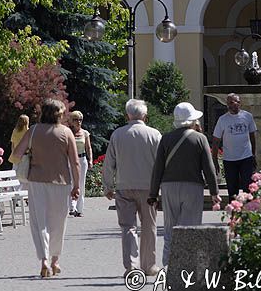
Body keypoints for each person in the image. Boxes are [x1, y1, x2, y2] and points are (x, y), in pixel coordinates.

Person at [13, 99, 80, 278]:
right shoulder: (66, 132)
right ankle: (55, 261)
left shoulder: (33, 131)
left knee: (39, 222)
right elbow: (75, 162)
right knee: (58, 223)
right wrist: (77, 185)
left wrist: (32, 153)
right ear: (60, 114)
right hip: (61, 182)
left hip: (37, 181)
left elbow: (16, 155)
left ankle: (43, 261)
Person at [148, 102, 220, 268]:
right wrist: (214, 191)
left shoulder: (166, 138)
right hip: (192, 187)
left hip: (168, 187)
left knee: (169, 229)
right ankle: (189, 266)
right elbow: (208, 168)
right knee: (191, 228)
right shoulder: (200, 138)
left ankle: (168, 266)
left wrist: (153, 193)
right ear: (192, 120)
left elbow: (158, 167)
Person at [102, 99, 162, 278]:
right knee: (149, 226)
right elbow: (161, 163)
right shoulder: (154, 134)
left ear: (128, 114)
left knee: (128, 227)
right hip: (148, 188)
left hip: (124, 186)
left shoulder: (118, 135)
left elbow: (109, 162)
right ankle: (149, 265)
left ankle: (131, 266)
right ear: (145, 115)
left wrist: (107, 186)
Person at [212, 93, 257, 202]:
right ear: (227, 105)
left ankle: (248, 214)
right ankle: (234, 215)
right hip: (229, 159)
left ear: (240, 103)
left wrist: (253, 154)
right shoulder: (222, 120)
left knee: (248, 188)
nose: (234, 104)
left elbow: (252, 136)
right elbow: (216, 140)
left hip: (246, 157)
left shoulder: (247, 116)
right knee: (232, 190)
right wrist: (215, 159)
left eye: (236, 101)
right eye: (231, 102)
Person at [68, 110, 93, 217]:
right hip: (70, 160)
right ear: (71, 121)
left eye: (80, 120)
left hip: (82, 160)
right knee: (70, 183)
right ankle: (71, 207)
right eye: (76, 120)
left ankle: (79, 209)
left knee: (80, 184)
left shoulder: (85, 133)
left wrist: (90, 160)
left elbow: (88, 148)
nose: (78, 122)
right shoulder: (68, 133)